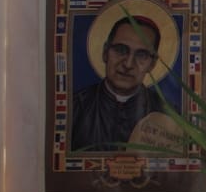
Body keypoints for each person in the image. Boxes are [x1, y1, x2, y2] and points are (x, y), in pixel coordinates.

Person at [69, 14, 168, 152]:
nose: (128, 64)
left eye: (141, 55)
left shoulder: (168, 115)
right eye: (121, 50)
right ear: (105, 52)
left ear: (152, 64)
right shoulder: (73, 109)